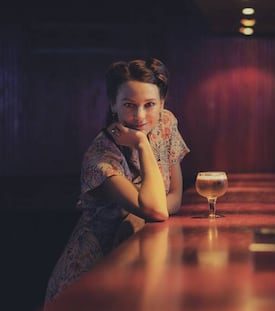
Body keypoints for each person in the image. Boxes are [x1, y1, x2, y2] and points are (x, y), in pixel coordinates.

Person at [44, 58, 190, 304]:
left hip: (139, 264)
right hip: (91, 273)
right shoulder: (100, 157)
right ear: (113, 105)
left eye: (150, 104)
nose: (140, 116)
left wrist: (161, 207)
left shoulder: (166, 123)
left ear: (162, 103)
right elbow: (156, 210)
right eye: (129, 105)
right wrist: (142, 144)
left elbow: (175, 195)